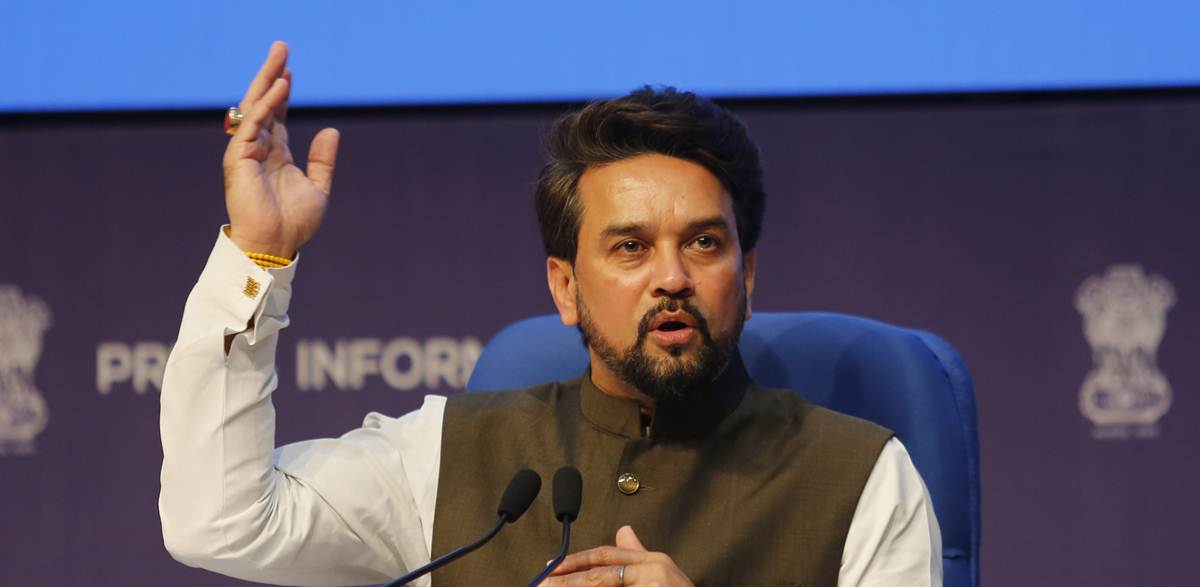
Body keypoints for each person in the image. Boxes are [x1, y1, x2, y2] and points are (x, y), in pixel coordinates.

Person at [159, 41, 941, 587]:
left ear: (748, 272)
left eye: (704, 242)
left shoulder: (864, 477)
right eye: (630, 247)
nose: (671, 276)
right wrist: (259, 255)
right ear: (564, 286)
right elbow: (216, 520)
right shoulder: (451, 461)